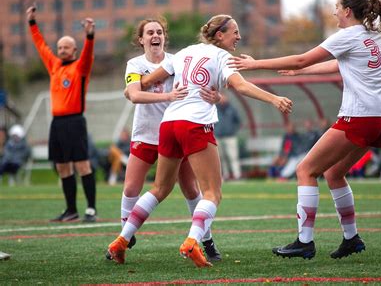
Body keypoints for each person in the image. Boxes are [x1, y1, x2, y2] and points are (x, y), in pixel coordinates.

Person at [107, 14, 292, 267]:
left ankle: (121, 239)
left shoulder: (184, 52)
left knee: (160, 189)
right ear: (219, 36)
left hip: (169, 124)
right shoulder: (223, 56)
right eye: (234, 32)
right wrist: (274, 99)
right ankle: (193, 241)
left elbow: (147, 81)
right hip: (194, 125)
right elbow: (241, 86)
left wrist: (133, 89)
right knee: (213, 193)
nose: (238, 37)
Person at [229, 0, 381, 260]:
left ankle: (304, 241)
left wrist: (254, 64)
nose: (334, 11)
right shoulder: (373, 36)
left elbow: (302, 57)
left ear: (347, 11)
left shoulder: (348, 35)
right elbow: (338, 65)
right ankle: (351, 238)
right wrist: (301, 72)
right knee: (333, 174)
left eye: (337, 6)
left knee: (305, 170)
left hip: (359, 117)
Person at [106, 17, 225, 263]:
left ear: (164, 37)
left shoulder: (177, 60)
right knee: (131, 187)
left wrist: (215, 97)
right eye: (149, 32)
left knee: (191, 189)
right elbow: (135, 95)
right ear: (141, 40)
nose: (155, 35)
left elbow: (200, 91)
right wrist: (167, 95)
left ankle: (207, 241)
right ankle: (124, 236)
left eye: (159, 31)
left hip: (173, 133)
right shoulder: (134, 64)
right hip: (147, 133)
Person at [26, 6, 97, 222]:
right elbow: (40, 45)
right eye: (60, 47)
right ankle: (71, 210)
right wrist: (32, 23)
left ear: (74, 50)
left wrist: (90, 35)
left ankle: (91, 209)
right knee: (61, 167)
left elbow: (88, 53)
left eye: (66, 47)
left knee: (82, 165)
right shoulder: (54, 65)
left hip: (75, 122)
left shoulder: (80, 67)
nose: (62, 50)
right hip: (57, 123)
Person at [214, 92, 242, 180]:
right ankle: (224, 175)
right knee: (220, 158)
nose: (222, 99)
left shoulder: (232, 109)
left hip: (230, 137)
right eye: (221, 97)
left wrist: (232, 130)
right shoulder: (214, 109)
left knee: (233, 156)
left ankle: (237, 175)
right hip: (218, 136)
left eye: (224, 97)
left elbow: (238, 122)